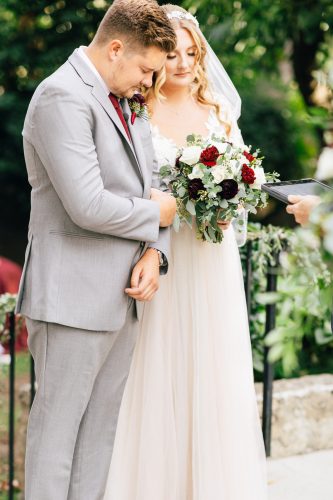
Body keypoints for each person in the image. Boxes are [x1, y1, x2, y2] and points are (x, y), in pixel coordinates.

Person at [104, 6, 267, 500]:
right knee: (155, 364)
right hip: (158, 254)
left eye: (192, 53)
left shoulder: (220, 112)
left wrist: (228, 209)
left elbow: (244, 188)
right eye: (172, 52)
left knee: (213, 367)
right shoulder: (137, 111)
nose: (182, 62)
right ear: (156, 55)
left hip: (210, 259)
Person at [16, 1, 177, 499]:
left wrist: (156, 251)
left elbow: (153, 184)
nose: (148, 85)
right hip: (70, 301)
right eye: (146, 70)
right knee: (57, 438)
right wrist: (157, 217)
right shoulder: (61, 97)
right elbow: (86, 204)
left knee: (99, 435)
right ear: (114, 48)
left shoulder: (123, 100)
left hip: (122, 298)